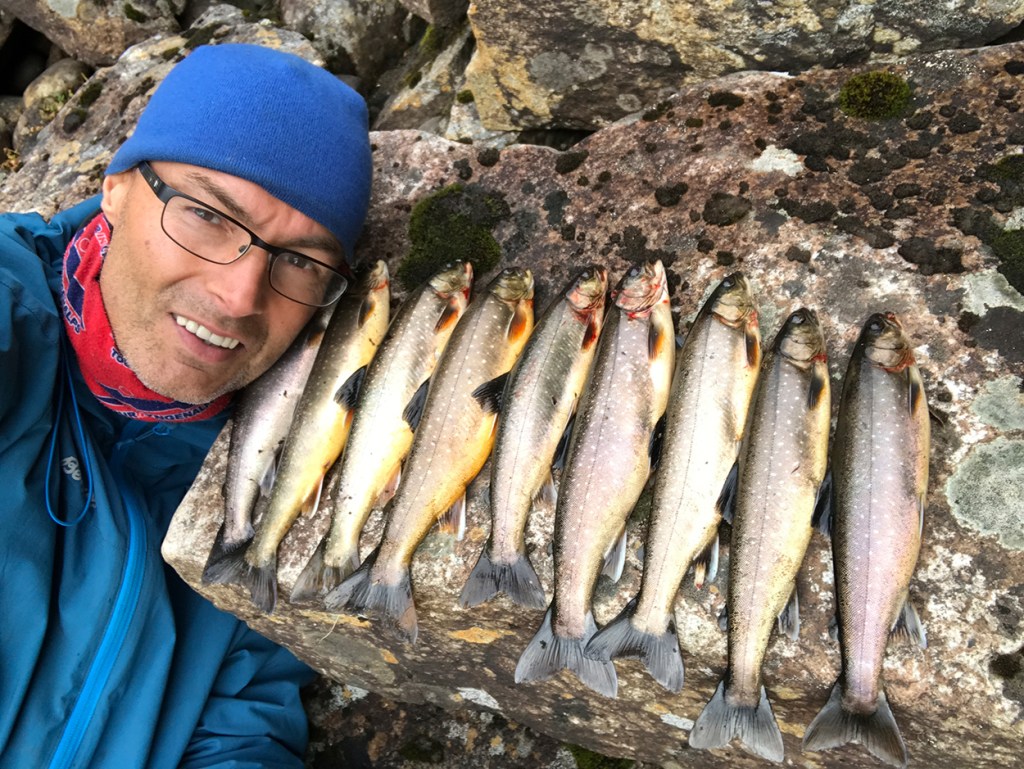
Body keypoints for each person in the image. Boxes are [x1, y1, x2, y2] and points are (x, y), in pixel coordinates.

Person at [0, 43, 373, 768]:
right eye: (206, 214)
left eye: (300, 261)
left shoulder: (271, 491)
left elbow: (244, 726)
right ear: (116, 188)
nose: (239, 297)